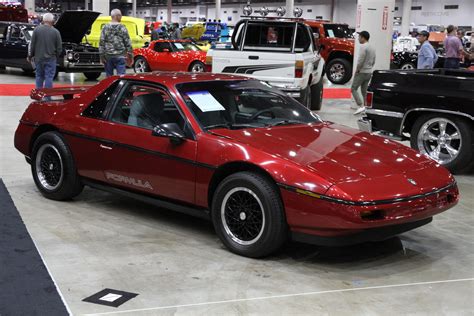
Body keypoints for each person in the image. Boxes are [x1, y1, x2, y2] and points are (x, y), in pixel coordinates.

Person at [27, 13, 62, 89]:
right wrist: (56, 56)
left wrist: (30, 56)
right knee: (49, 77)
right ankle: (47, 98)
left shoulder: (36, 30)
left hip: (38, 58)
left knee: (39, 76)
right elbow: (59, 48)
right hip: (51, 59)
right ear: (52, 21)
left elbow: (32, 45)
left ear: (43, 20)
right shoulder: (56, 32)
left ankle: (39, 97)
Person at [99, 9, 133, 77]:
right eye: (120, 15)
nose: (121, 17)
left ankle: (110, 87)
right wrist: (130, 56)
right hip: (120, 56)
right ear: (116, 16)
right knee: (121, 77)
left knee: (109, 77)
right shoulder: (122, 27)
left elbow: (101, 42)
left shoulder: (105, 27)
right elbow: (128, 42)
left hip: (108, 56)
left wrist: (101, 56)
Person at [352, 30, 376, 115]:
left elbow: (360, 60)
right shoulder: (372, 47)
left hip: (361, 71)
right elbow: (373, 61)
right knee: (364, 90)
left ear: (363, 37)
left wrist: (357, 69)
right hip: (369, 72)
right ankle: (366, 108)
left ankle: (360, 106)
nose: (358, 38)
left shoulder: (363, 47)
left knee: (353, 88)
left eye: (359, 37)